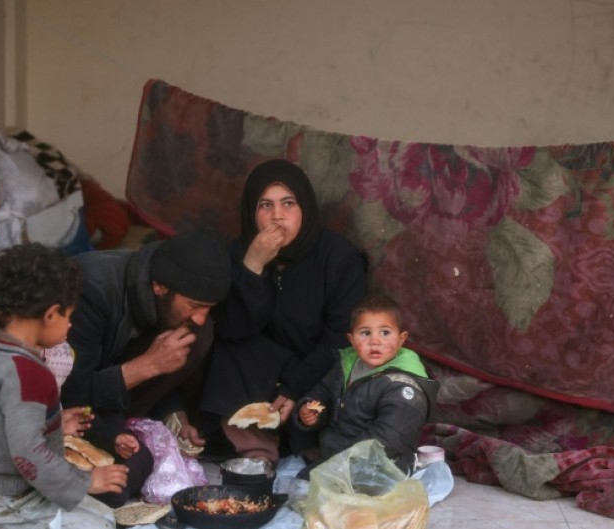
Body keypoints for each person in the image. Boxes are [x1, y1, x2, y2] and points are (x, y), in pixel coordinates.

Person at [200, 159, 368, 463]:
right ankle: (256, 453)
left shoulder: (339, 258)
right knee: (222, 346)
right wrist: (253, 265)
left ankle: (301, 441)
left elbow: (341, 339)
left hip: (315, 371)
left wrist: (295, 386)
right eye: (265, 205)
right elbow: (231, 330)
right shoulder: (237, 254)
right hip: (258, 377)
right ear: (252, 212)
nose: (277, 216)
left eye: (288, 203)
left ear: (305, 207)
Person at [60, 228, 231, 507]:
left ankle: (129, 433)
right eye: (195, 306)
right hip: (66, 412)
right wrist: (147, 366)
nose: (201, 317)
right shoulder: (90, 290)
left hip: (111, 409)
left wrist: (176, 419)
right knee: (117, 483)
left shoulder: (166, 301)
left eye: (209, 308)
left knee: (197, 335)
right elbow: (71, 394)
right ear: (160, 286)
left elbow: (160, 376)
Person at [0, 242, 128, 529]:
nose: (70, 326)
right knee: (101, 525)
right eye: (68, 316)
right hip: (7, 503)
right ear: (51, 314)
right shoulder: (28, 372)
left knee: (105, 516)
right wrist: (85, 481)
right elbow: (27, 452)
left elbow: (9, 420)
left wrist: (55, 421)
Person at [294, 293, 440, 476]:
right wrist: (309, 411)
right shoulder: (347, 365)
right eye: (365, 333)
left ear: (402, 339)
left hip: (380, 467)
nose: (375, 341)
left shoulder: (404, 386)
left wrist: (342, 463)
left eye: (385, 332)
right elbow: (323, 392)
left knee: (321, 495)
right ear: (352, 340)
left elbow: (387, 439)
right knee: (299, 489)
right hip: (335, 457)